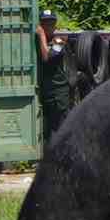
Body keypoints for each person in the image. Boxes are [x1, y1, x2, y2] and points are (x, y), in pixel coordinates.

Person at [35, 9, 69, 146]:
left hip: (57, 93)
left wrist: (42, 36)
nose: (47, 26)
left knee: (60, 128)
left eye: (50, 23)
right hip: (45, 91)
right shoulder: (38, 41)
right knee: (47, 130)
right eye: (44, 23)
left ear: (55, 24)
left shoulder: (60, 40)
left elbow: (46, 58)